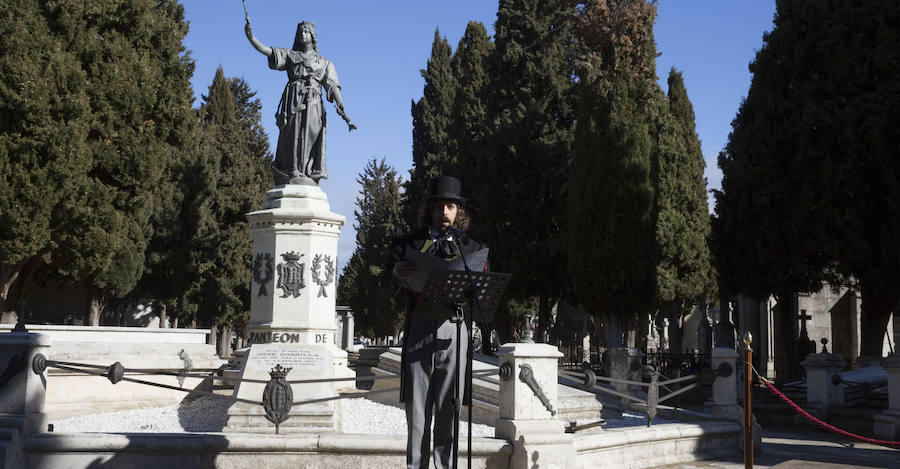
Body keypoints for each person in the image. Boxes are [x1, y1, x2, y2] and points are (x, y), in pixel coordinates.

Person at [381, 176, 488, 469]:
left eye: (451, 206)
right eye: (440, 205)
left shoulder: (472, 249)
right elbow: (385, 288)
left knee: (449, 408)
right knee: (417, 411)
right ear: (430, 209)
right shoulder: (407, 245)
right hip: (419, 328)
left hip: (456, 329)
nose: (445, 212)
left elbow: (482, 291)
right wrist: (395, 276)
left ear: (458, 212)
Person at [244, 20, 355, 185]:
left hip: (315, 102)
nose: (303, 34)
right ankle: (292, 171)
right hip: (293, 101)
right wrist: (252, 38)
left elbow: (332, 86)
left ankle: (307, 173)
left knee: (311, 135)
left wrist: (342, 106)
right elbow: (267, 51)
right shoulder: (290, 55)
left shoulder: (324, 62)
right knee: (291, 135)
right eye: (300, 32)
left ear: (313, 36)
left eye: (306, 32)